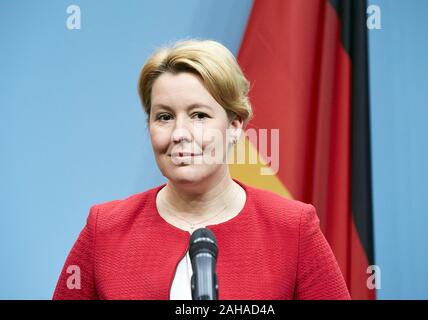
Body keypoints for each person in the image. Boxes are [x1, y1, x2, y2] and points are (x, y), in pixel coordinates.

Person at [53, 39, 350, 300]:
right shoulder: (105, 229)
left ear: (234, 126)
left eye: (199, 115)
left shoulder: (292, 227)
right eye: (165, 117)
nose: (180, 133)